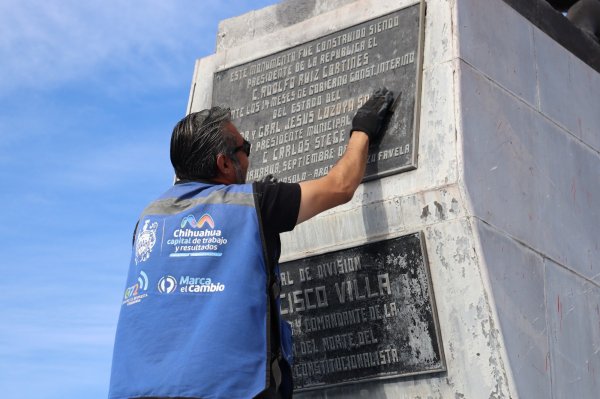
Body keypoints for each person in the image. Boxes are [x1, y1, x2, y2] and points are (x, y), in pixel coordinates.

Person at [108, 88, 394, 399]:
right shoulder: (255, 203)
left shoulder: (149, 220)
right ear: (225, 164)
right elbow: (340, 186)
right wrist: (362, 130)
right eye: (245, 147)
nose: (248, 154)